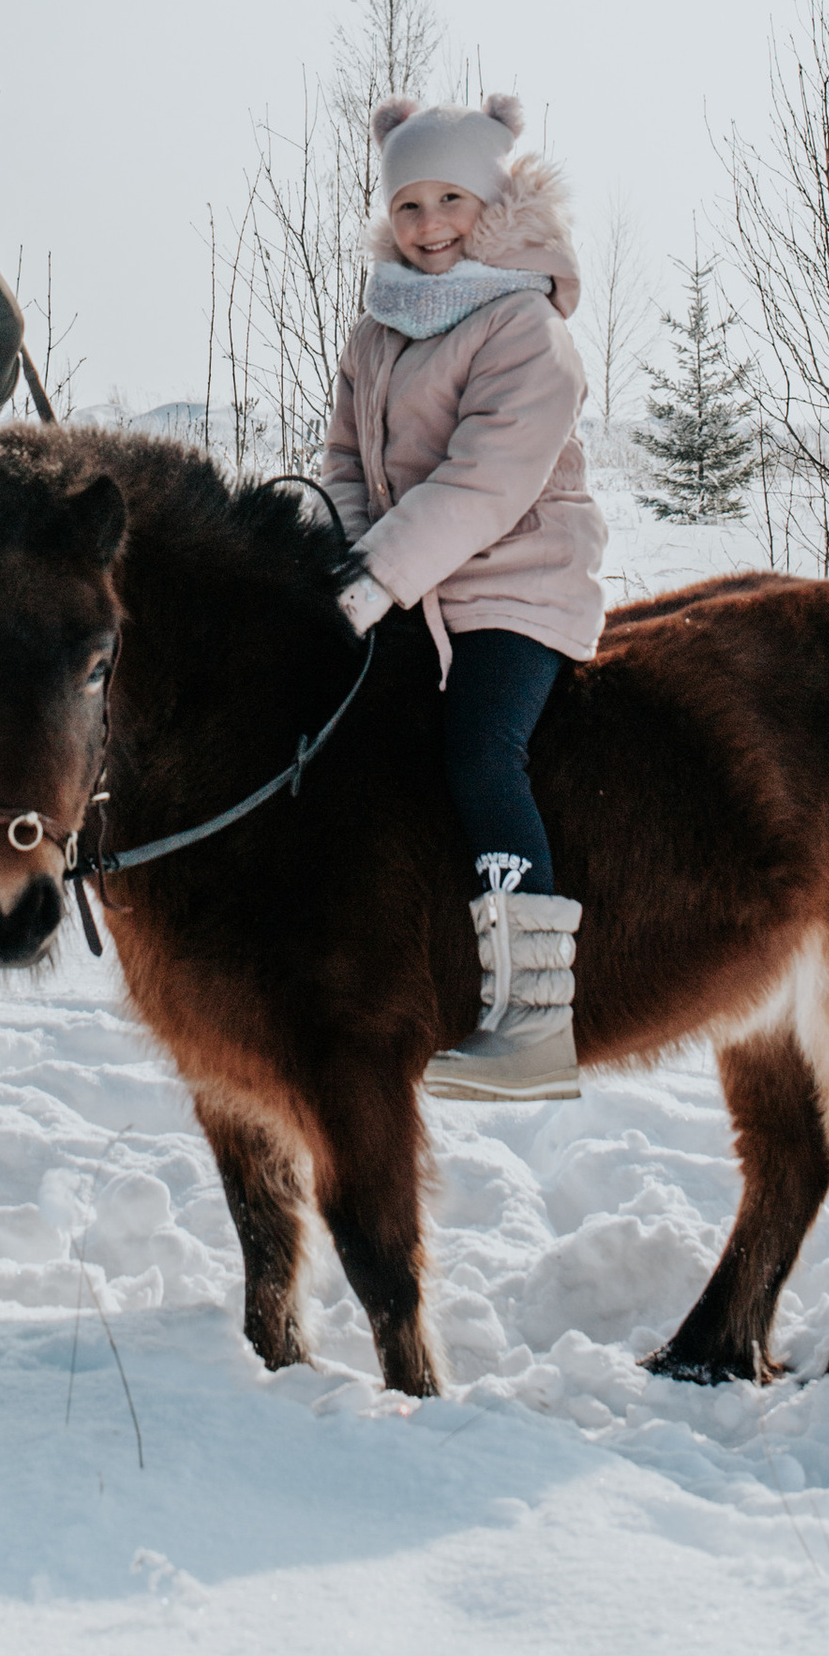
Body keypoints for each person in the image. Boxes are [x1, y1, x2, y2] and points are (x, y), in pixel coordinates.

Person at [318, 92, 607, 1099]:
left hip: (512, 590)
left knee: (481, 751)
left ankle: (534, 1021)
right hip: (404, 591)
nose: (429, 223)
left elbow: (482, 483)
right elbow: (344, 460)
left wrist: (369, 580)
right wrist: (339, 558)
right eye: (408, 205)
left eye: (451, 198)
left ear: (494, 204)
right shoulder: (376, 331)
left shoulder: (525, 327)